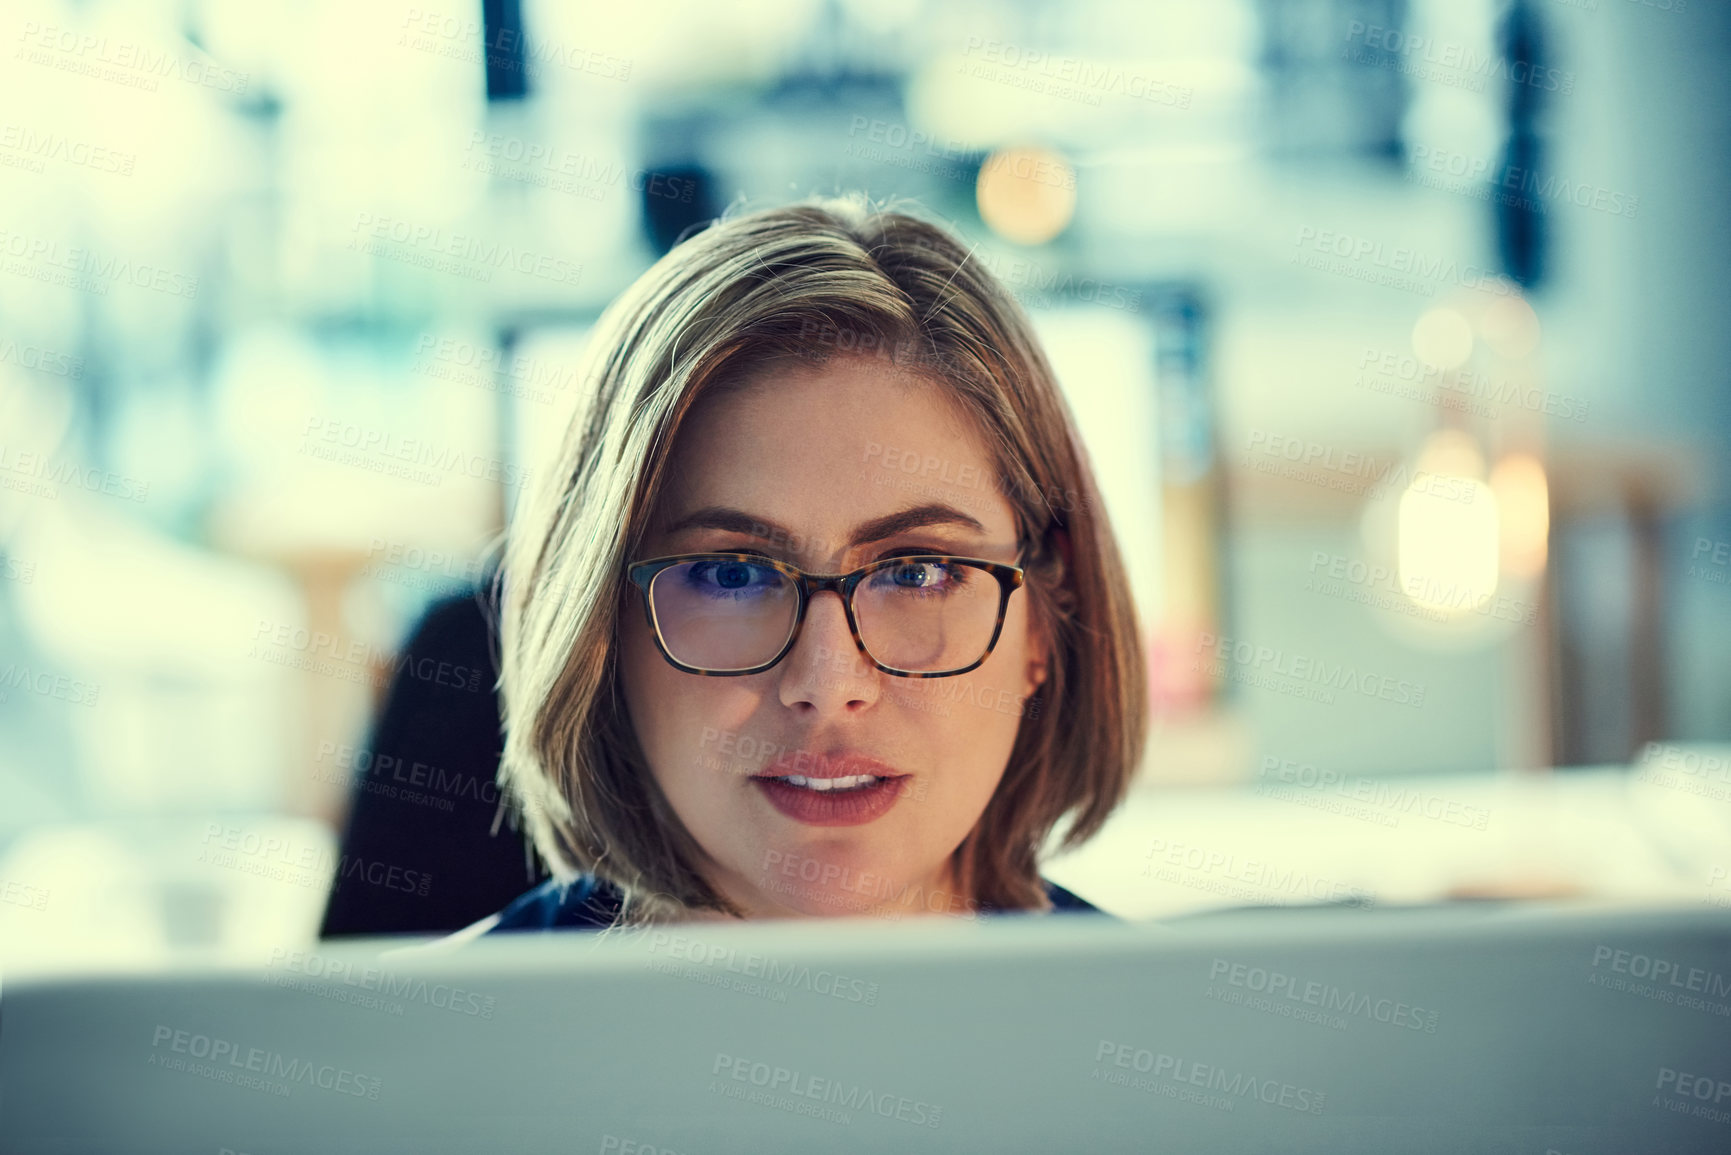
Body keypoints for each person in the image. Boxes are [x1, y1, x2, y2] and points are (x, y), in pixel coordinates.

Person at [458, 195, 1147, 937]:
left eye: (915, 572)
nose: (827, 683)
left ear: (1044, 617)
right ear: (600, 628)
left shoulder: (1200, 1035)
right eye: (732, 575)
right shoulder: (408, 1047)